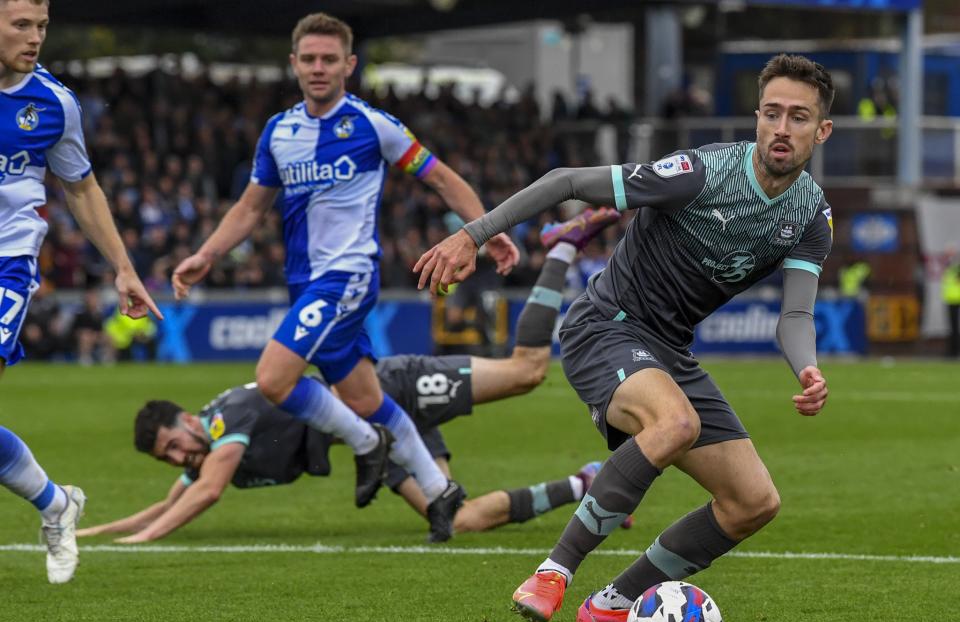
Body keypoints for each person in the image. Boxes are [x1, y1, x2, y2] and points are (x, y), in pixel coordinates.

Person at [415, 53, 835, 622]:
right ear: (756, 118)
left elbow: (795, 314)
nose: (781, 128)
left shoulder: (810, 214)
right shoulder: (701, 173)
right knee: (675, 423)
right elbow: (567, 182)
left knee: (754, 501)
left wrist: (807, 365)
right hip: (604, 326)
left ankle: (613, 603)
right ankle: (554, 571)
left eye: (798, 117)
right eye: (771, 113)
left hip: (668, 351)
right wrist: (473, 235)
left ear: (822, 131)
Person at [169, 12, 519, 543]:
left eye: (329, 59)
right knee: (363, 399)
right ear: (293, 64)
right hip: (305, 283)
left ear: (349, 65)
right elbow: (249, 206)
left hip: (348, 275)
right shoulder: (279, 132)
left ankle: (365, 445)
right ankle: (439, 493)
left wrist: (484, 231)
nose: (318, 68)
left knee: (273, 379)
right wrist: (207, 254)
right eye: (308, 58)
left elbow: (441, 177)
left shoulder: (372, 125)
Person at [77, 210, 625, 542]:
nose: (179, 459)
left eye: (174, 445)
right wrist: (102, 532)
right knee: (461, 520)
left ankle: (558, 246)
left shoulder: (224, 426)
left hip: (388, 387)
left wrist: (147, 540)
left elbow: (206, 493)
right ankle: (587, 481)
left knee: (526, 371)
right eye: (168, 459)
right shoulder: (204, 442)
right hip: (381, 438)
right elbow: (174, 498)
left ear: (187, 419)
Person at [0, 0, 161, 583]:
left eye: (41, 26)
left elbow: (82, 188)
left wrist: (123, 267)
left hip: (6, 263)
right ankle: (55, 503)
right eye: (21, 24)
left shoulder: (52, 103)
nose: (35, 37)